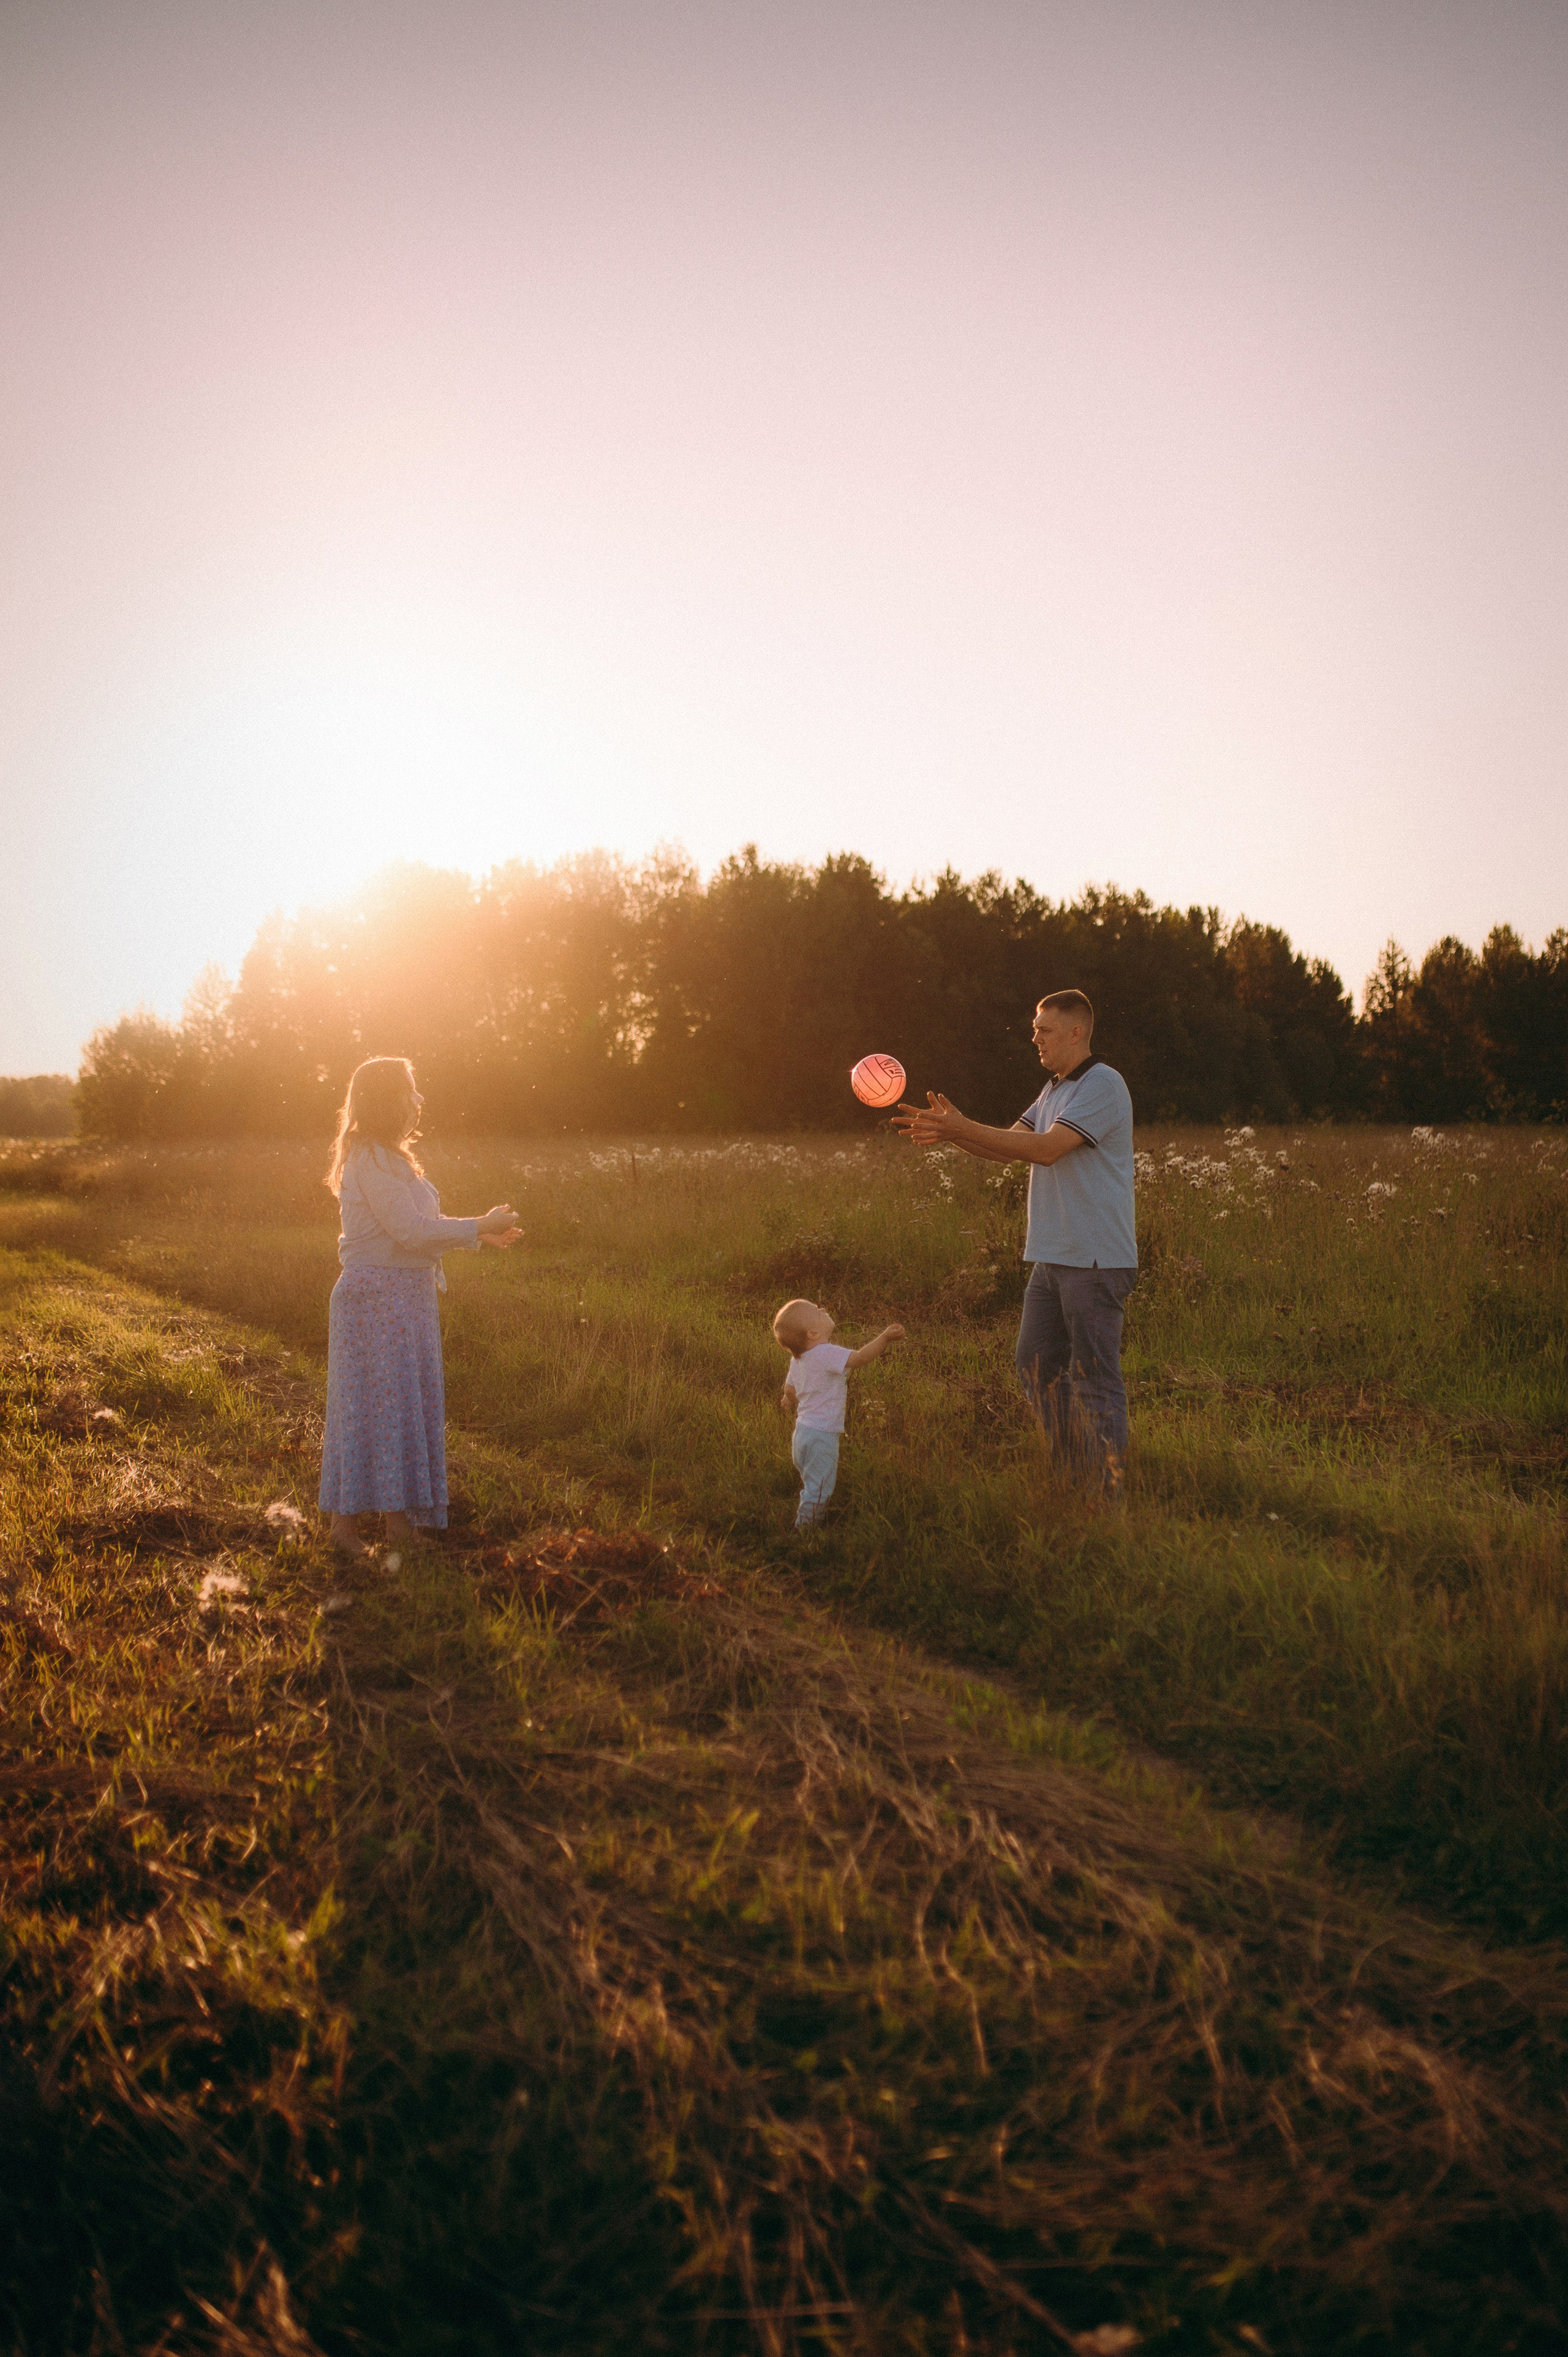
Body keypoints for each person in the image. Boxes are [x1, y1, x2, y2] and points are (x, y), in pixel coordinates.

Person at [893, 989, 1137, 1492]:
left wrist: (963, 1126)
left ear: (1076, 1032)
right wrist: (951, 1133)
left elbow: (1047, 1150)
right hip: (1051, 1257)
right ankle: (1078, 1473)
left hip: (1094, 1259)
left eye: (1044, 1029)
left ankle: (1108, 1493)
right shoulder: (1053, 1090)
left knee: (1095, 1380)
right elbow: (1009, 1146)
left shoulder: (1103, 1083)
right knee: (1035, 1365)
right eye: (1034, 1028)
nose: (1034, 1038)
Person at [318, 1057, 519, 1556]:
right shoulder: (370, 1160)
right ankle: (355, 1532)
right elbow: (408, 1232)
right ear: (388, 1099)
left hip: (404, 1297)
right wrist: (479, 1224)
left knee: (399, 1408)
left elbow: (418, 1227)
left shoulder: (390, 1158)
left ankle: (393, 1526)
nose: (419, 1100)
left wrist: (481, 1235)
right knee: (374, 1409)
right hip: (376, 1299)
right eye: (410, 1090)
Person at [772, 1297, 905, 1530]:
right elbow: (861, 1358)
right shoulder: (826, 1353)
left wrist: (787, 1402)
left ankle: (808, 1516)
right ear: (812, 1333)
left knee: (812, 1482)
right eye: (817, 1311)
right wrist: (884, 1338)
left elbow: (790, 1391)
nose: (823, 1309)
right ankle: (802, 1535)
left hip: (803, 1434)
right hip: (822, 1436)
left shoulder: (798, 1359)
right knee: (819, 1489)